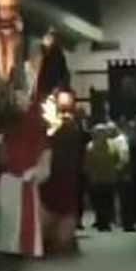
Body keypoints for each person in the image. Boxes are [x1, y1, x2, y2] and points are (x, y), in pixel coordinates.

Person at [0, 108, 51, 257]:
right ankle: (7, 249)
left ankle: (14, 249)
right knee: (6, 218)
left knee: (13, 218)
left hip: (21, 182)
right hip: (10, 180)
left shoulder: (38, 141)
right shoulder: (5, 136)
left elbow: (44, 166)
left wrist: (32, 173)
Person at [41, 93, 83, 253]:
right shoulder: (72, 128)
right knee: (63, 207)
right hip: (64, 173)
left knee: (60, 207)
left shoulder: (66, 129)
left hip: (61, 172)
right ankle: (61, 239)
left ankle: (60, 240)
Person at [83, 123, 123, 232]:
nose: (101, 134)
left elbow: (87, 164)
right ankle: (102, 221)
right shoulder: (93, 146)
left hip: (103, 178)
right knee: (100, 201)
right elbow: (87, 163)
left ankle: (103, 221)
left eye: (102, 132)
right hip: (100, 178)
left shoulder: (92, 146)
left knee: (104, 201)